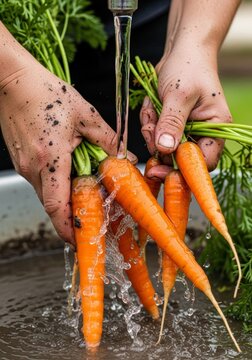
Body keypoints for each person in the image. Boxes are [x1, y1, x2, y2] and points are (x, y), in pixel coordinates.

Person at [0, 0, 241, 245]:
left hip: (160, 23)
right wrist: (11, 78)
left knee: (137, 194)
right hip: (10, 50)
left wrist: (195, 46)